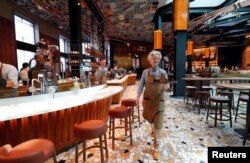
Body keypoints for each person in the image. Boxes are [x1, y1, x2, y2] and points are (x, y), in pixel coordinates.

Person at [136, 50, 168, 159]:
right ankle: (153, 130)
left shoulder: (163, 72)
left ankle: (156, 148)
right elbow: (141, 86)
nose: (156, 60)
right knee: (151, 121)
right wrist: (137, 97)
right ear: (150, 59)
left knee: (158, 125)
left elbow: (165, 87)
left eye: (157, 58)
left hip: (159, 102)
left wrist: (166, 85)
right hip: (148, 101)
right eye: (154, 58)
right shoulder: (145, 72)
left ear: (159, 60)